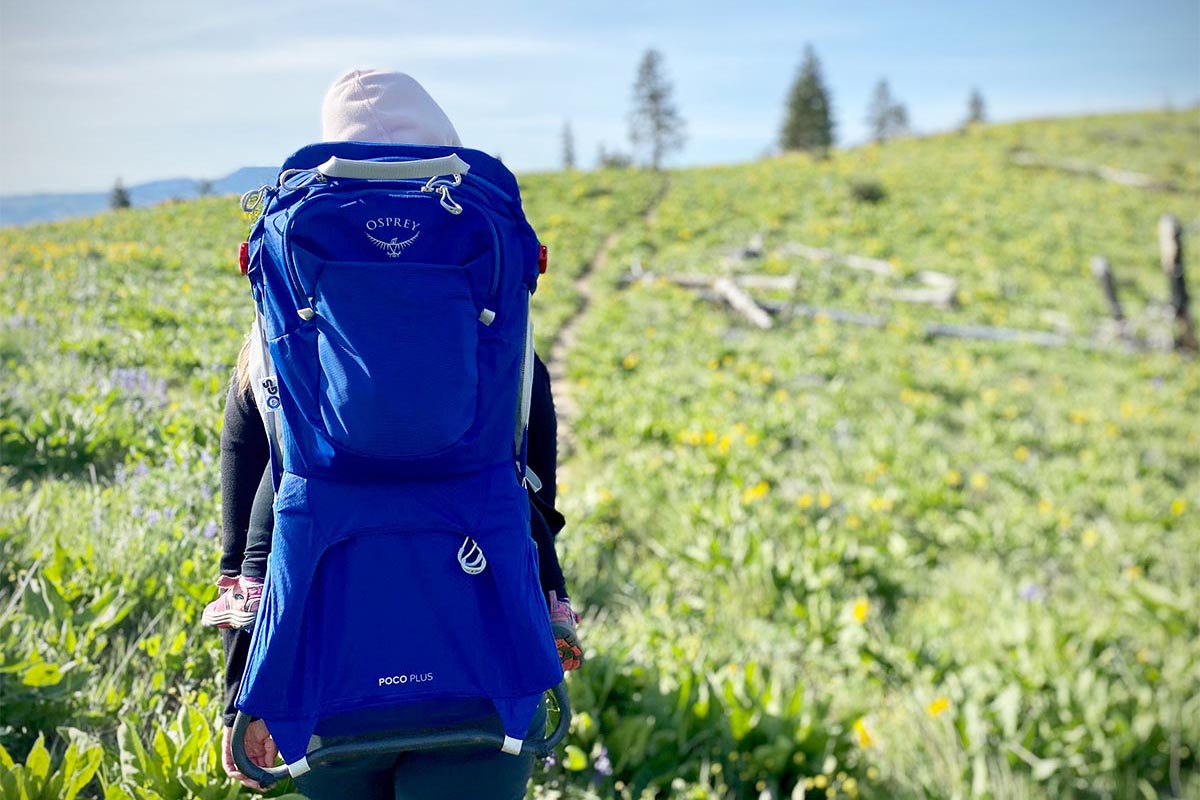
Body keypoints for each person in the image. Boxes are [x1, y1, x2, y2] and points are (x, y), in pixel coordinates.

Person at [212, 69, 580, 797]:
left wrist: (239, 686)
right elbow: (535, 493)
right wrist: (554, 614)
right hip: (481, 660)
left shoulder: (268, 348)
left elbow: (246, 533)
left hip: (320, 667)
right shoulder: (508, 348)